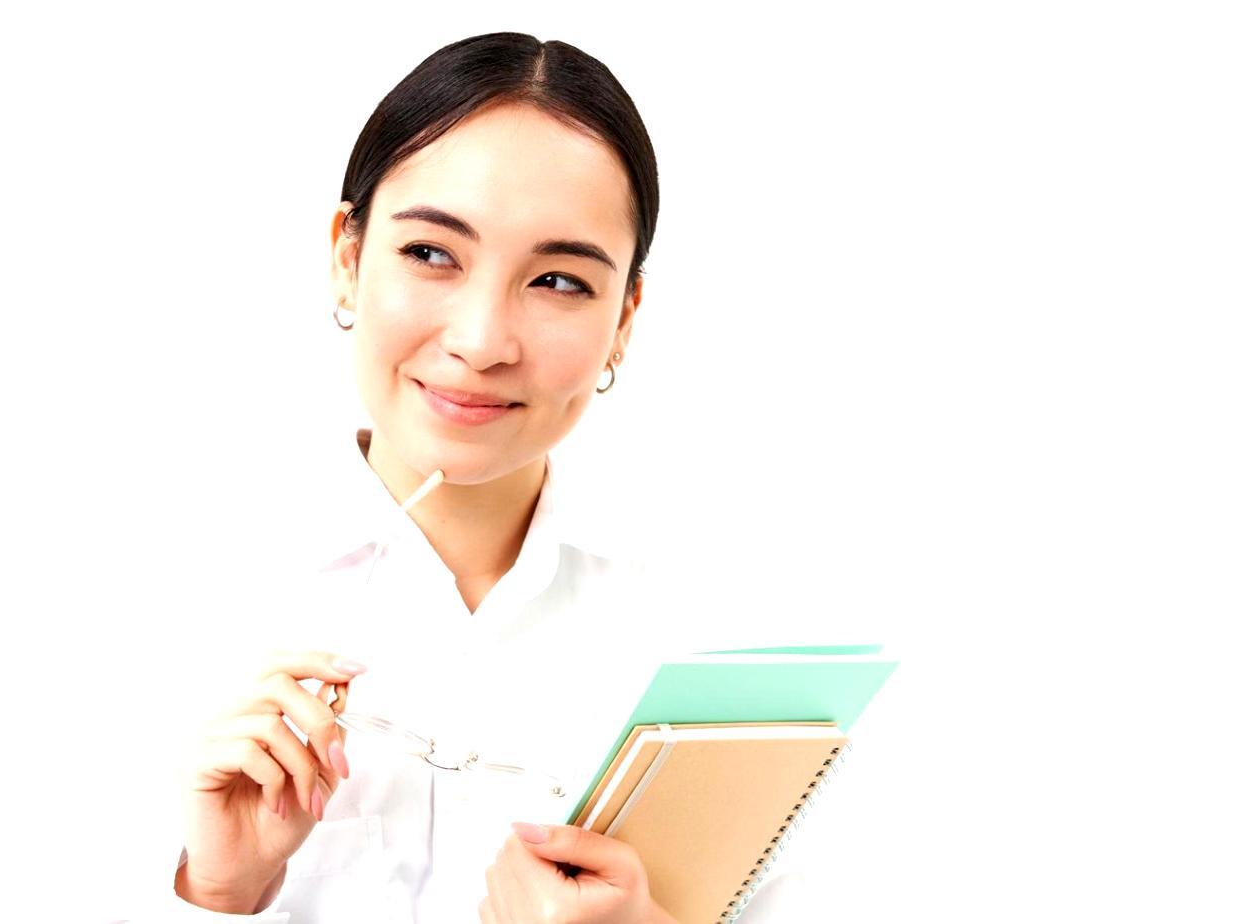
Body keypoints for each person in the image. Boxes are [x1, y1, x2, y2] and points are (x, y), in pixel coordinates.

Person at [139, 32, 807, 924]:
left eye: (560, 280)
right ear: (347, 255)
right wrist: (218, 891)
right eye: (430, 254)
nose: (481, 341)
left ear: (623, 320)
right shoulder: (163, 591)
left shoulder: (717, 643)